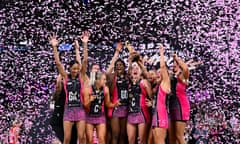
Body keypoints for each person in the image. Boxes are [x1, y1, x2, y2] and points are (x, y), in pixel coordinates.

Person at [49, 31, 90, 144]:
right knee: (67, 139)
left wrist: (85, 44)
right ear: (70, 68)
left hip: (80, 109)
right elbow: (58, 63)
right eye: (74, 68)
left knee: (81, 138)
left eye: (77, 68)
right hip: (68, 110)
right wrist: (54, 47)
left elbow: (85, 61)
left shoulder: (81, 77)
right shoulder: (66, 77)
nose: (76, 70)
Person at [83, 72, 120, 144]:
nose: (105, 81)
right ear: (98, 80)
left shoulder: (105, 89)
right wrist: (90, 100)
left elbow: (107, 104)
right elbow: (85, 106)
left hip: (100, 116)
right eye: (104, 79)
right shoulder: (88, 89)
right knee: (90, 140)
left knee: (102, 139)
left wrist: (114, 104)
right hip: (89, 116)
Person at [127, 55, 152, 144]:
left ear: (140, 71)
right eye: (133, 68)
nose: (135, 70)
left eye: (137, 68)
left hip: (142, 113)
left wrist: (152, 103)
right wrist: (130, 62)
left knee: (142, 140)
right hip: (130, 114)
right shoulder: (128, 83)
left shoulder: (144, 82)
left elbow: (151, 97)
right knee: (130, 140)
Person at [168, 54, 190, 144]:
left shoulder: (182, 76)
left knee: (179, 136)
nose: (174, 64)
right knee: (172, 137)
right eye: (173, 63)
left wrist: (177, 58)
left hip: (180, 106)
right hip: (171, 105)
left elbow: (186, 69)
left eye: (176, 63)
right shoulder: (171, 77)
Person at [151, 45, 171, 144]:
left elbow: (163, 67)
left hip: (161, 115)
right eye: (157, 72)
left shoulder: (165, 83)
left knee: (160, 142)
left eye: (160, 72)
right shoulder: (158, 86)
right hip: (156, 114)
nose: (158, 74)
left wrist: (161, 52)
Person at [50, 74, 78, 144]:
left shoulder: (75, 92)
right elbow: (59, 85)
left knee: (73, 141)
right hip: (59, 122)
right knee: (66, 140)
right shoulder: (59, 93)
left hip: (72, 121)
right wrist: (60, 78)